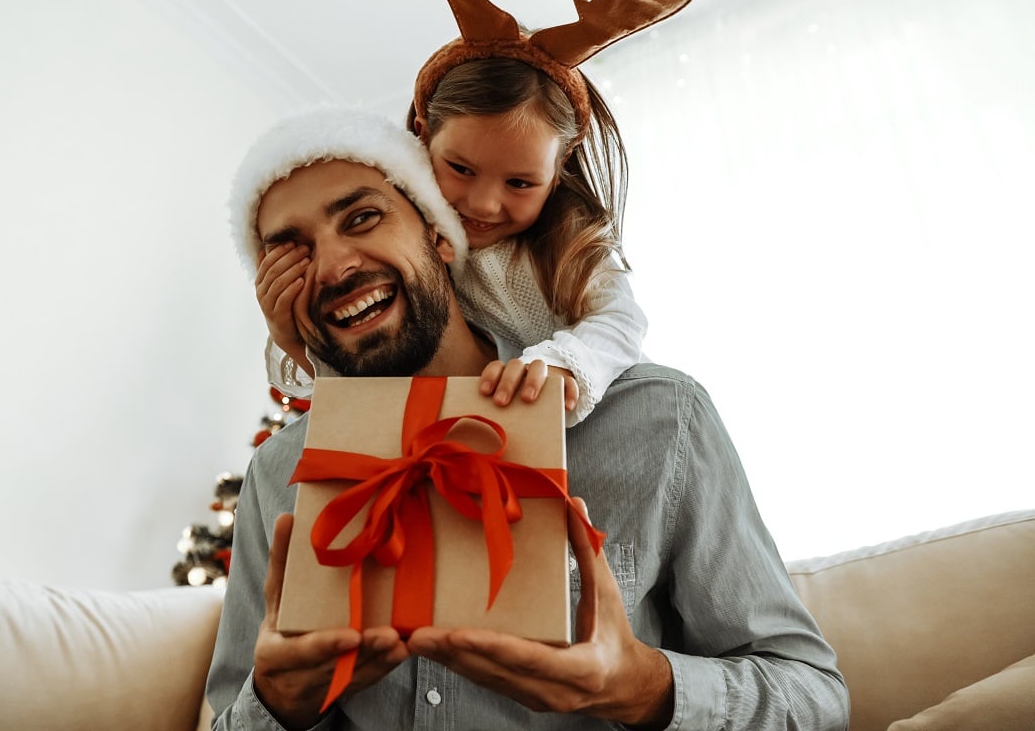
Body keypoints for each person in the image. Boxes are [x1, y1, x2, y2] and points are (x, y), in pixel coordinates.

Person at [208, 105, 851, 730]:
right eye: (289, 253)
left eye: (364, 218)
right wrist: (277, 704)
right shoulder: (280, 472)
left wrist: (639, 687)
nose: (333, 267)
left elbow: (814, 696)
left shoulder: (658, 419)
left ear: (439, 231)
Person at [255, 56, 648, 428]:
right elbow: (361, 371)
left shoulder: (571, 247)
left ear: (558, 170)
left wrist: (566, 364)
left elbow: (621, 321)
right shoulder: (415, 253)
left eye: (519, 183)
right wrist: (290, 338)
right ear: (423, 137)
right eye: (461, 169)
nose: (483, 204)